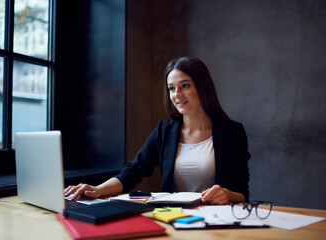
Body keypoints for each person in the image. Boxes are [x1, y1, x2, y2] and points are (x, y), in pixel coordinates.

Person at [64, 56, 250, 205]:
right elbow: (134, 170)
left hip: (218, 220)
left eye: (185, 86)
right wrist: (97, 189)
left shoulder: (232, 132)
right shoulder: (164, 132)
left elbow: (242, 193)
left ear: (202, 87)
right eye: (171, 88)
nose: (177, 95)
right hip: (175, 218)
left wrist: (227, 195)